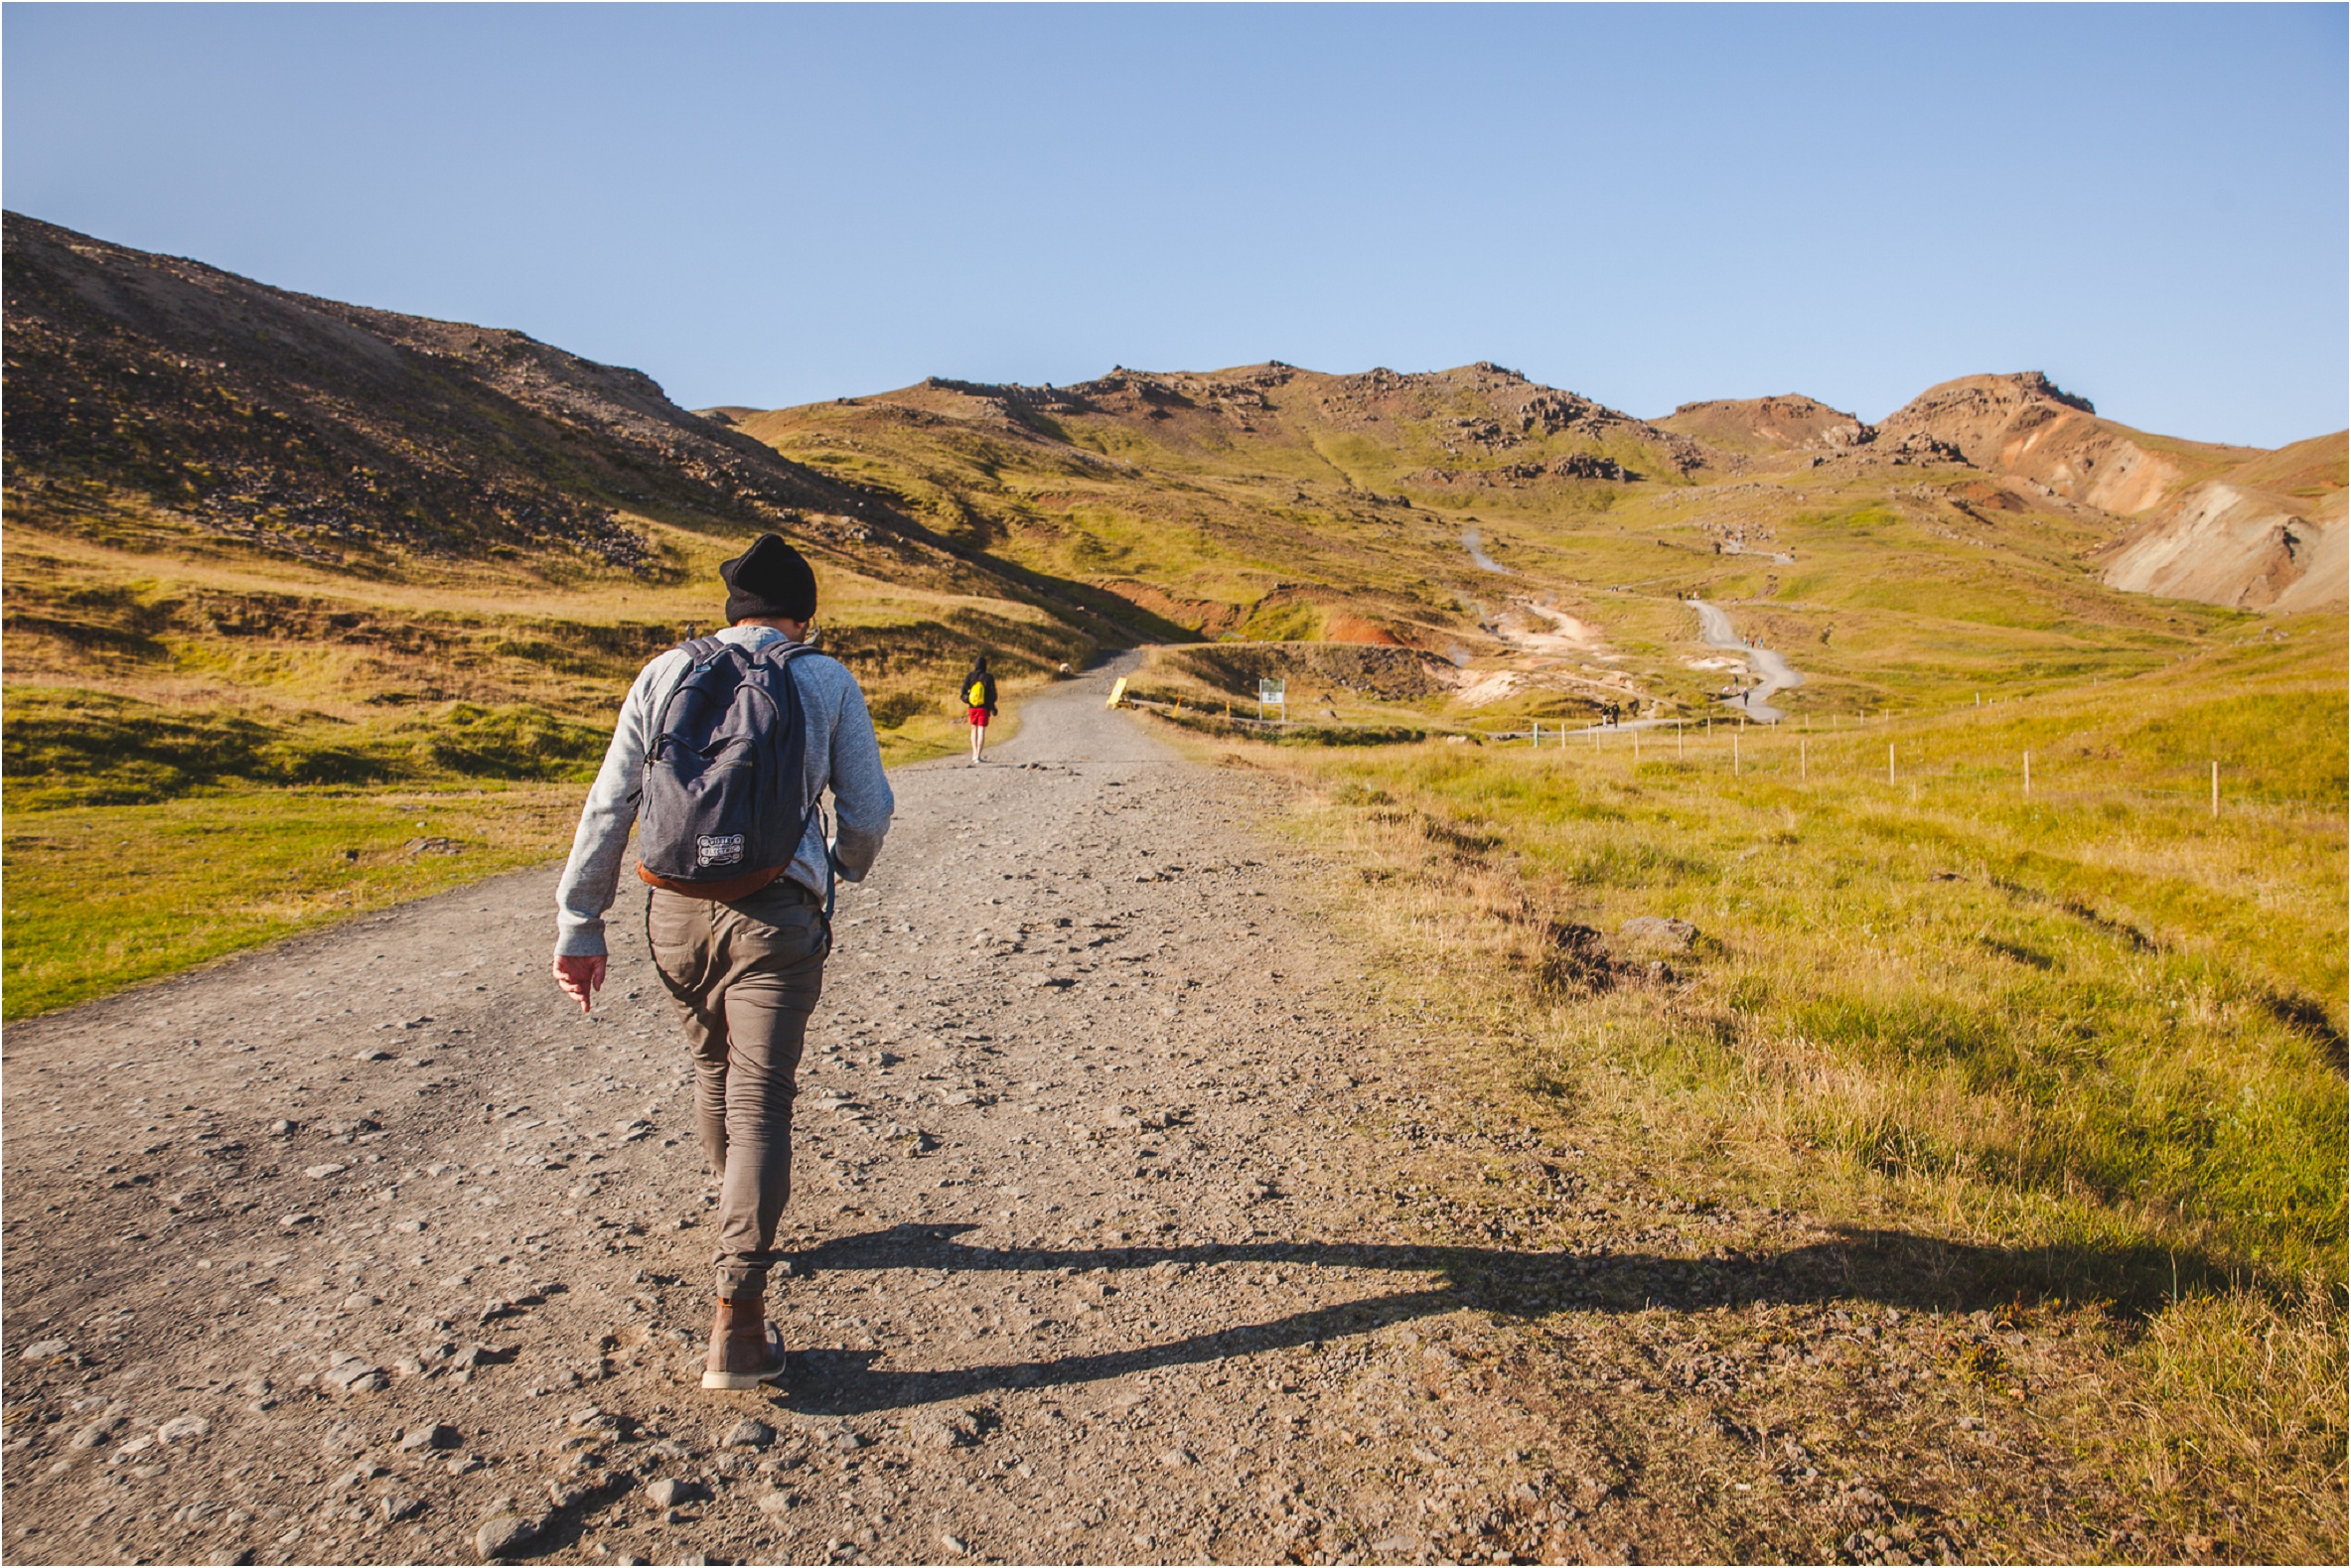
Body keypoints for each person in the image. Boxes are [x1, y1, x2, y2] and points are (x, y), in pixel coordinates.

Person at [550, 532, 894, 1391]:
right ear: (803, 617)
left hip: (674, 911)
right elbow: (869, 807)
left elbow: (611, 802)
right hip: (778, 911)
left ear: (730, 611)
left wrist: (579, 923)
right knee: (762, 1098)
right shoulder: (820, 676)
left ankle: (738, 1209)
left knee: (716, 1078)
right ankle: (737, 1320)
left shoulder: (665, 672)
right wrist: (843, 866)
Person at [960, 653, 998, 764]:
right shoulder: (988, 677)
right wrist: (992, 707)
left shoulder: (970, 676)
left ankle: (973, 753)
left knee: (974, 729)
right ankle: (978, 755)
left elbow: (962, 692)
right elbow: (992, 695)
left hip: (972, 708)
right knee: (981, 730)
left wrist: (969, 700)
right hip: (984, 708)